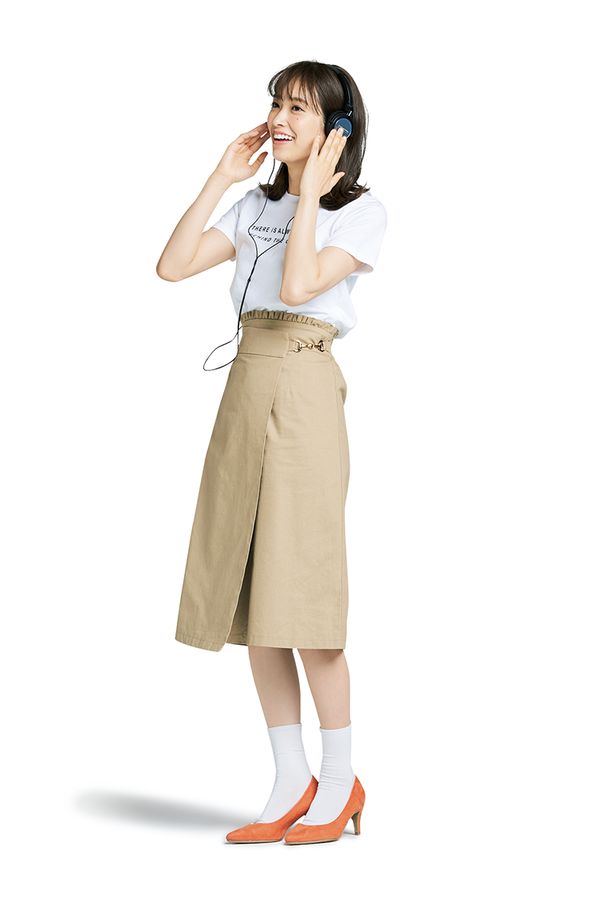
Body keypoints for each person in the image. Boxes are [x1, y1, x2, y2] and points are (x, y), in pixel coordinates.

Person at [156, 60, 387, 844]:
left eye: (300, 108)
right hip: (246, 384)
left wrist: (312, 194)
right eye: (277, 103)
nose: (281, 118)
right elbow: (172, 266)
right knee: (254, 595)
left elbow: (296, 289)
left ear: (337, 130)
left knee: (306, 595)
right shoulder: (255, 203)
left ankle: (340, 779)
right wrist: (222, 177)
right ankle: (291, 777)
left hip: (305, 383)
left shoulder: (361, 212)